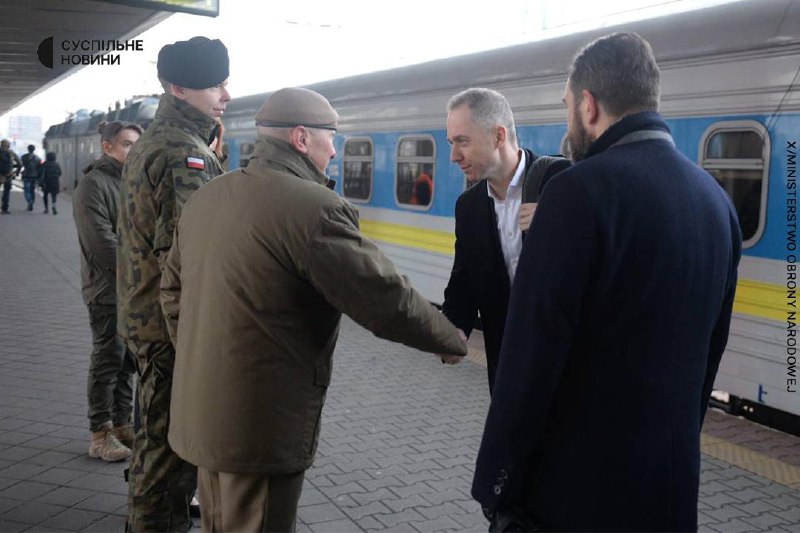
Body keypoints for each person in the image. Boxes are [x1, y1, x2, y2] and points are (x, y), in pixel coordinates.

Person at [160, 87, 468, 532]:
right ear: (302, 138)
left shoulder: (209, 195)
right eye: (332, 137)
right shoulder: (314, 208)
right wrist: (446, 337)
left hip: (203, 411)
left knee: (219, 524)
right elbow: (381, 298)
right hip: (260, 422)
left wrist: (199, 355)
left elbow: (171, 290)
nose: (336, 150)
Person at [471, 32, 742, 532]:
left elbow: (530, 359)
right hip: (669, 492)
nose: (567, 118)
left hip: (574, 500)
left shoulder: (575, 194)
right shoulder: (715, 201)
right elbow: (709, 355)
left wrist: (495, 482)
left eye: (567, 105)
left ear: (589, 106)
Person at [116, 36, 230, 532]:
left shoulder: (156, 140)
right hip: (168, 329)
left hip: (146, 318)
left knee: (154, 440)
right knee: (168, 450)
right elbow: (188, 259)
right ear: (180, 87)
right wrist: (199, 336)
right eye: (215, 84)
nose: (226, 93)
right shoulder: (185, 155)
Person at [441, 88, 570, 394]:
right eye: (451, 143)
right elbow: (464, 282)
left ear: (498, 136)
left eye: (463, 141)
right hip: (507, 369)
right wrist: (451, 332)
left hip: (566, 366)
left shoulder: (561, 181)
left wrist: (559, 224)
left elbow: (599, 259)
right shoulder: (468, 207)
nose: (454, 156)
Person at [73, 121, 142, 463]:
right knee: (107, 358)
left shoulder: (132, 182)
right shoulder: (93, 184)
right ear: (108, 147)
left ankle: (121, 424)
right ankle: (100, 433)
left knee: (128, 361)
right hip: (107, 289)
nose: (133, 151)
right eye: (127, 144)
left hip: (133, 289)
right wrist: (143, 271)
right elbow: (101, 243)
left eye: (136, 145)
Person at [0, 139, 22, 214]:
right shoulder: (11, 153)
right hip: (8, 175)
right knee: (6, 192)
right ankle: (4, 209)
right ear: (8, 146)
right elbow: (20, 164)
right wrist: (15, 172)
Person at [20, 145, 41, 211]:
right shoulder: (38, 158)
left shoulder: (24, 157)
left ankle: (29, 201)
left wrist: (17, 172)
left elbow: (20, 165)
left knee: (27, 190)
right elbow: (39, 168)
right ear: (34, 149)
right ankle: (31, 202)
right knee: (32, 190)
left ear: (28, 149)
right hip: (34, 176)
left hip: (26, 175)